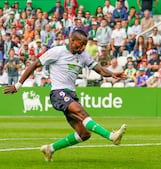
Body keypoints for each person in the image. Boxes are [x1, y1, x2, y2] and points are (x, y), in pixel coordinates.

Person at [3, 30, 127, 161]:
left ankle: (50, 149)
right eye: (81, 44)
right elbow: (34, 64)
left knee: (84, 134)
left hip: (71, 94)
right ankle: (111, 136)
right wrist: (18, 85)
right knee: (81, 112)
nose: (83, 47)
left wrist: (112, 74)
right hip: (58, 92)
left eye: (85, 44)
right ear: (72, 40)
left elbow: (99, 69)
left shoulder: (83, 55)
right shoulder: (57, 52)